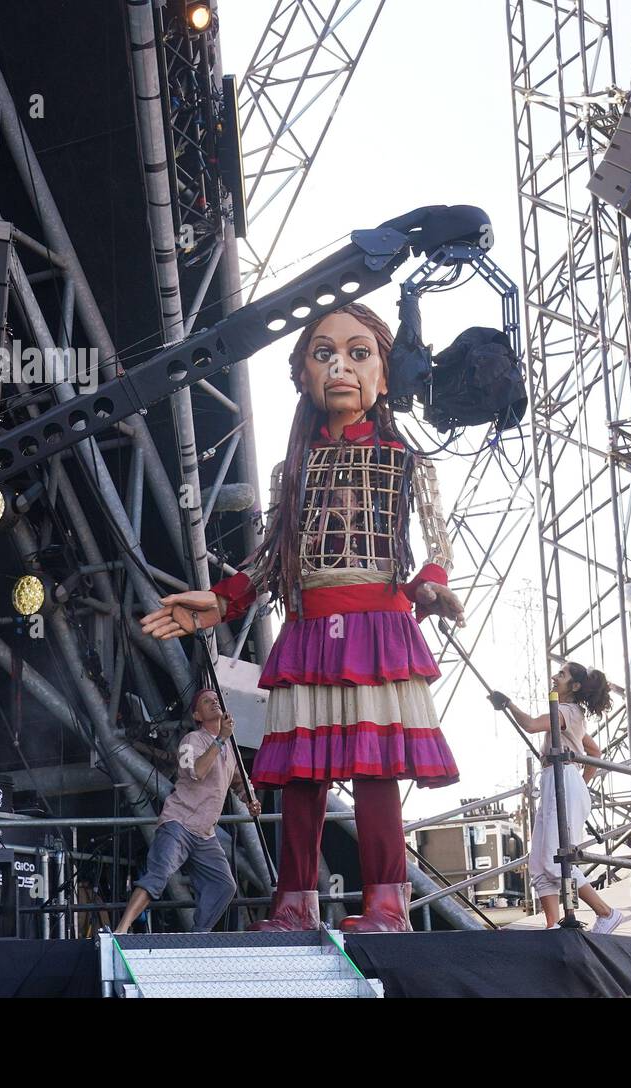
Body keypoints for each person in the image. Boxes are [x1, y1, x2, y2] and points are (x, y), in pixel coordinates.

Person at [140, 303, 465, 933]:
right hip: (310, 628)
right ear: (303, 374)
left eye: (358, 352)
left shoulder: (408, 462)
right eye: (323, 353)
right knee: (300, 777)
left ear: (385, 373)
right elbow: (269, 561)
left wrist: (429, 589)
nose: (340, 365)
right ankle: (294, 903)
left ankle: (387, 904)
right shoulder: (292, 471)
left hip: (378, 626)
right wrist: (222, 599)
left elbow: (438, 547)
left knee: (374, 772)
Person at [113, 689, 261, 934]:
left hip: (205, 833)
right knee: (157, 876)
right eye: (207, 701)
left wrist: (250, 801)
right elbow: (196, 772)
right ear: (197, 715)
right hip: (178, 823)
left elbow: (239, 783)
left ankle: (199, 934)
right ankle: (122, 928)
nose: (214, 702)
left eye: (216, 699)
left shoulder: (230, 750)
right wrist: (220, 739)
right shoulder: (190, 741)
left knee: (224, 884)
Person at [492, 663, 623, 934]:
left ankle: (606, 913)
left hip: (563, 780)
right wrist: (582, 784)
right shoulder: (573, 714)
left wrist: (509, 704)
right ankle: (552, 927)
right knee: (539, 863)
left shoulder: (564, 711)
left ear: (574, 686)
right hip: (558, 781)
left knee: (555, 860)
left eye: (561, 675)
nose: (554, 677)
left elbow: (530, 725)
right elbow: (594, 751)